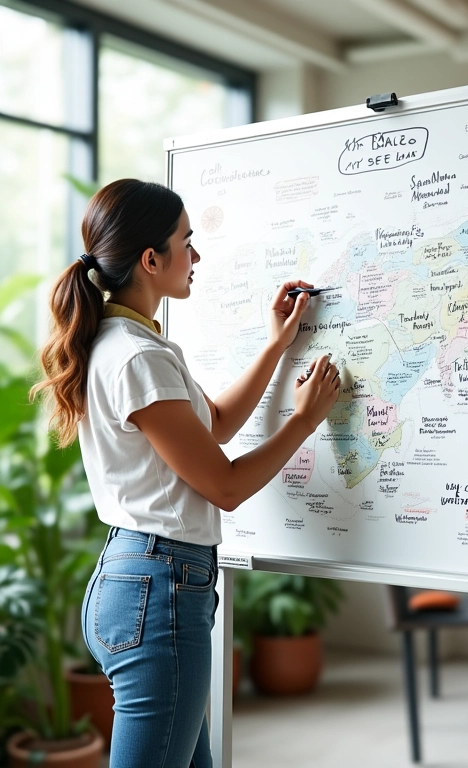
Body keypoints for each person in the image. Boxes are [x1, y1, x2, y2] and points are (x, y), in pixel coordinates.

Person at [31, 178, 340, 768]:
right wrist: (302, 422)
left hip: (143, 581)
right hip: (160, 593)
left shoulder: (130, 343)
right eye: (187, 242)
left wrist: (276, 346)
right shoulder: (138, 355)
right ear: (151, 259)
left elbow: (216, 423)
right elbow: (223, 486)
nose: (196, 257)